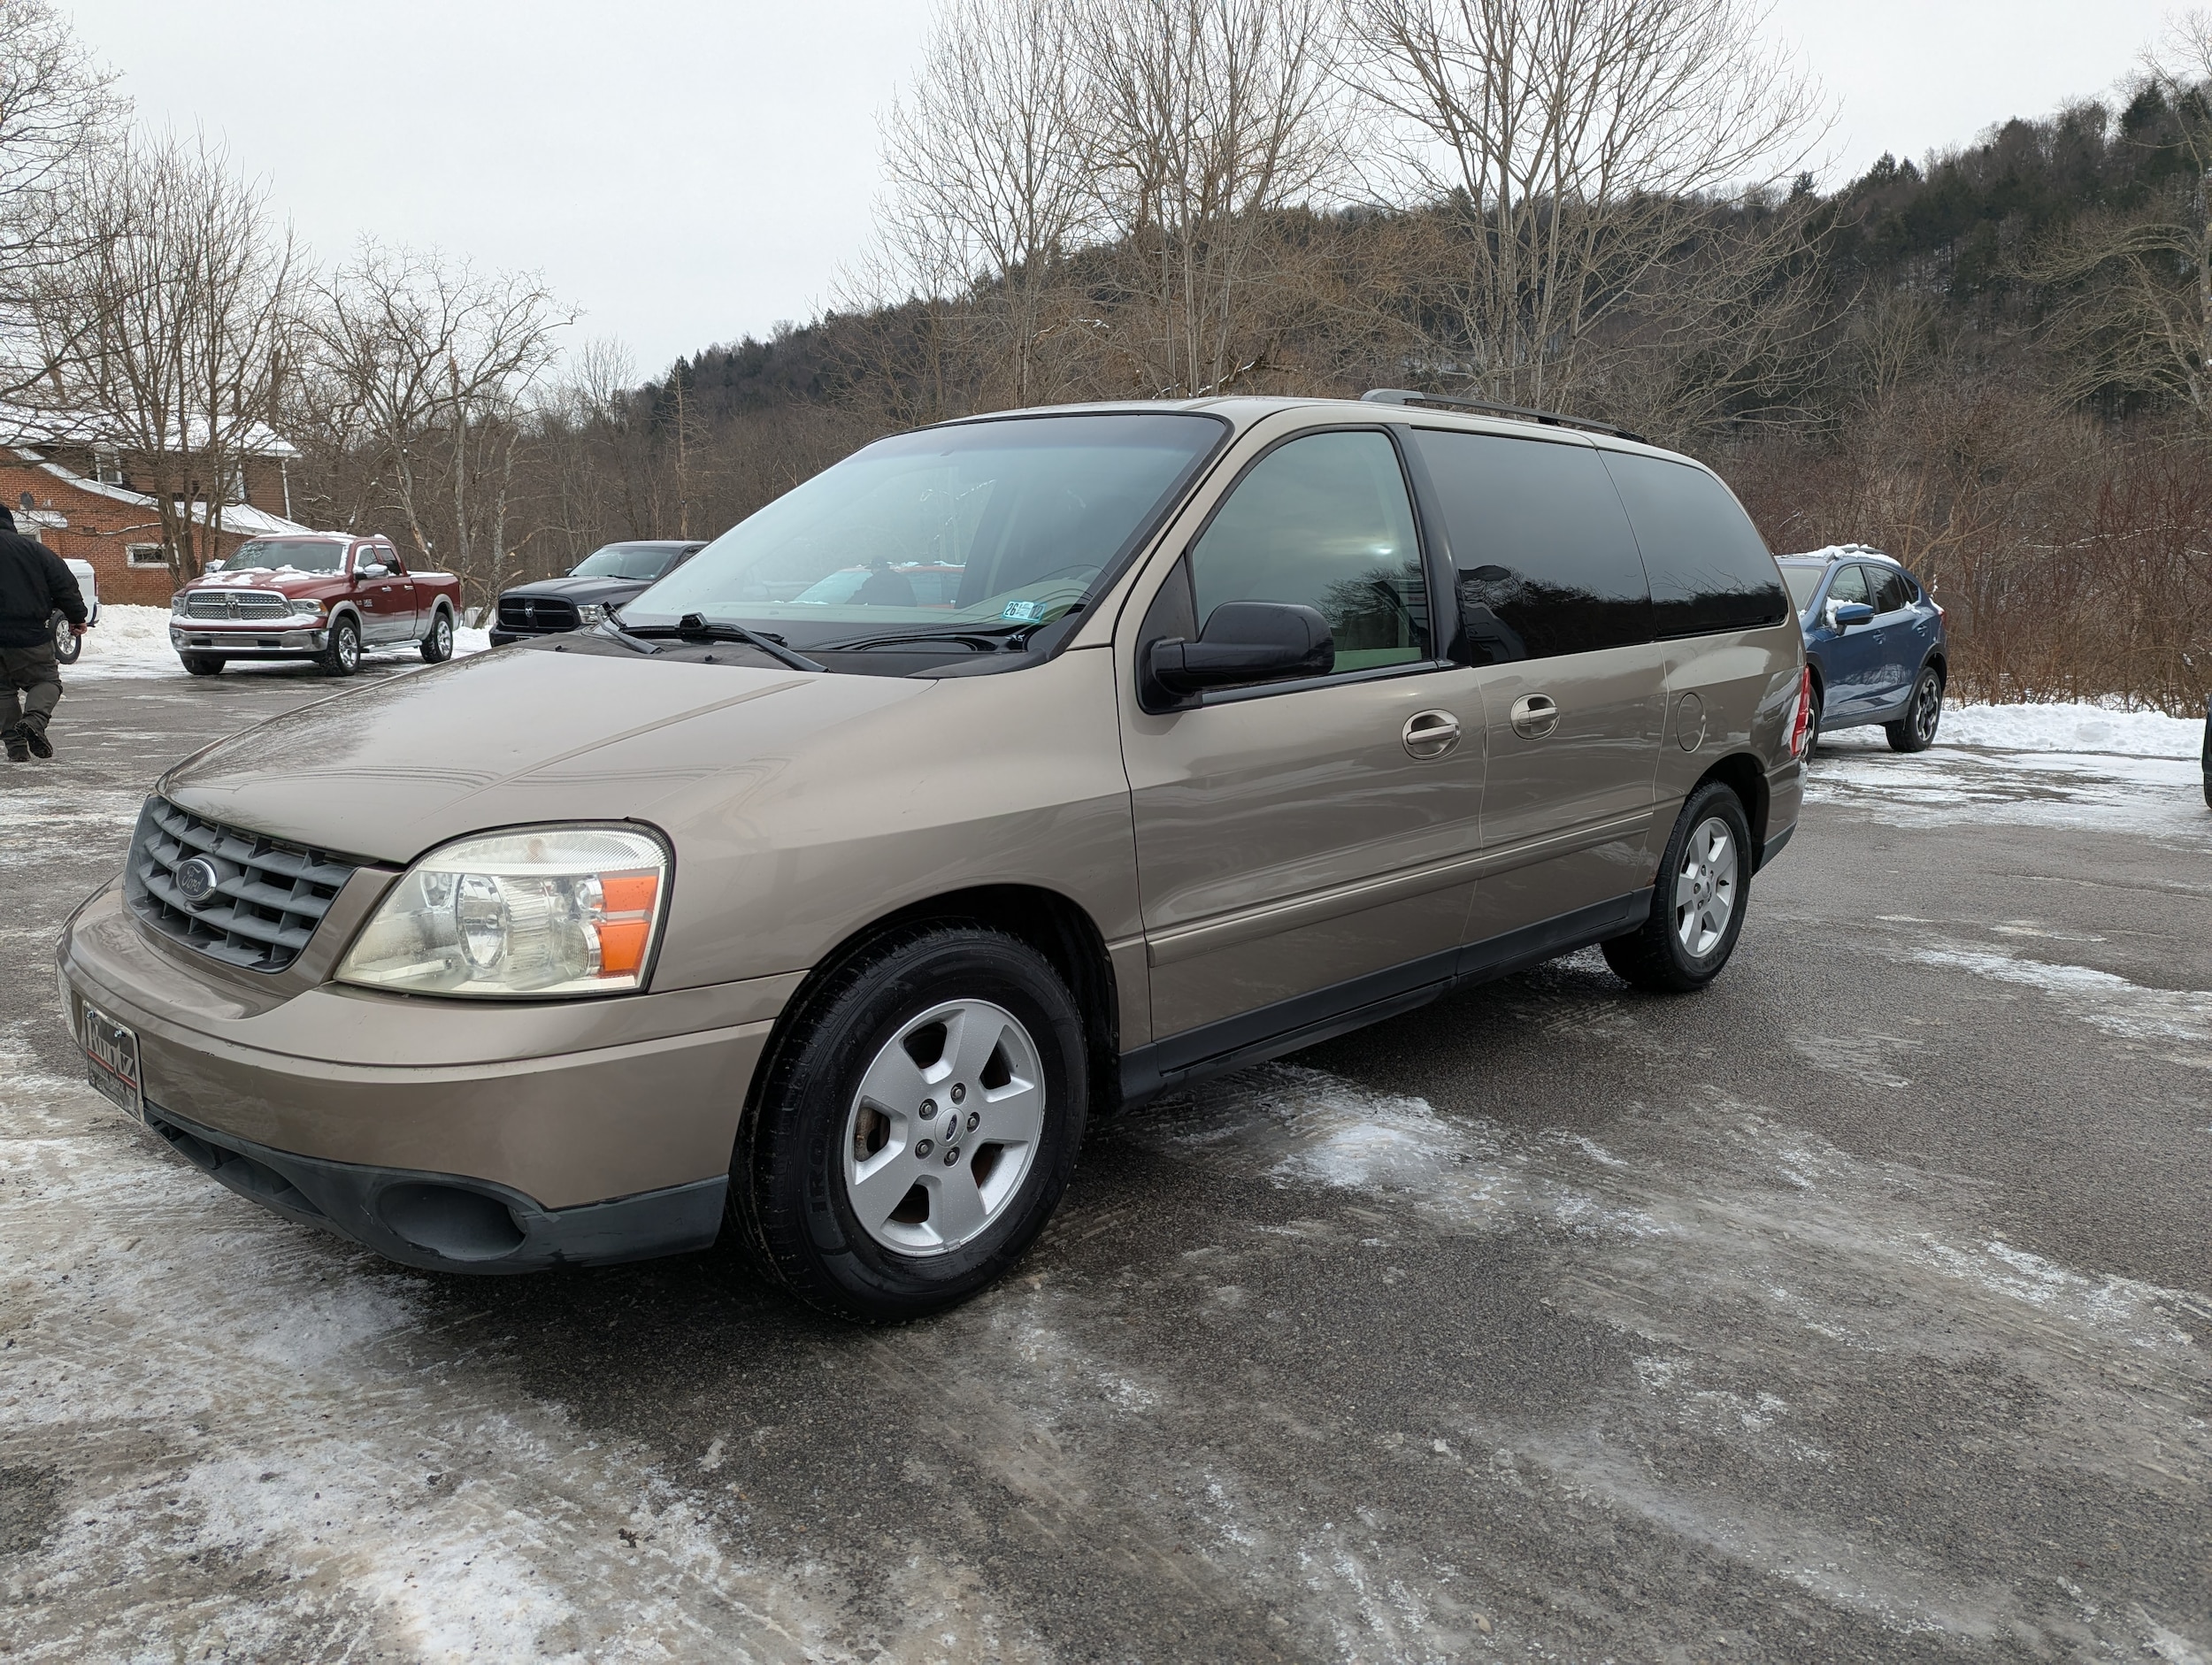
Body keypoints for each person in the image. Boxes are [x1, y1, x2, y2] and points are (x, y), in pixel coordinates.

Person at [0, 503, 88, 762]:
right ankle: (34, 721)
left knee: (2, 690)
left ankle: (16, 750)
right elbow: (64, 583)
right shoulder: (33, 550)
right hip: (27, 632)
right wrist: (76, 618)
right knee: (46, 681)